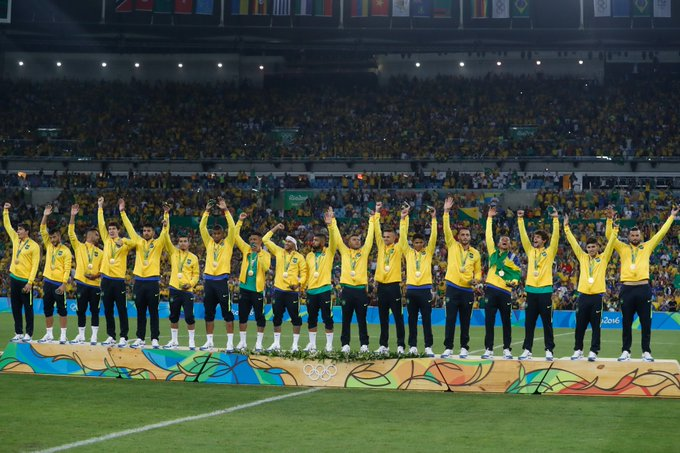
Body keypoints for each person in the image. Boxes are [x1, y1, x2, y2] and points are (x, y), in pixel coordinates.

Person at [606, 205, 679, 362]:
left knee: (646, 322)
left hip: (643, 288)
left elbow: (661, 233)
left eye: (636, 235)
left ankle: (646, 351)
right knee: (626, 322)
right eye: (632, 235)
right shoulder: (622, 247)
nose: (634, 237)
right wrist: (609, 219)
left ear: (641, 236)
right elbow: (609, 236)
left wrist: (671, 216)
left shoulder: (647, 246)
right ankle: (626, 351)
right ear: (629, 236)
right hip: (627, 289)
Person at [564, 214, 618, 362]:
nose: (591, 249)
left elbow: (612, 242)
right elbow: (573, 243)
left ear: (598, 247)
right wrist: (566, 227)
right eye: (588, 247)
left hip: (596, 297)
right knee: (580, 326)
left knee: (596, 327)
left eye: (593, 246)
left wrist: (615, 228)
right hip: (583, 297)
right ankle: (578, 350)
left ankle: (594, 351)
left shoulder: (604, 258)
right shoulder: (582, 257)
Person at [120, 199, 169, 349]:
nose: (146, 233)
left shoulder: (158, 243)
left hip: (152, 282)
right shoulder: (138, 241)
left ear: (153, 233)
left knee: (153, 312)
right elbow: (129, 228)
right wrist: (122, 212)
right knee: (140, 312)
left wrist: (166, 215)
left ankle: (154, 338)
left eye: (149, 231)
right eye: (144, 231)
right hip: (139, 282)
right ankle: (140, 337)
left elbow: (165, 230)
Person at [198, 197, 242, 351]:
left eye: (218, 234)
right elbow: (202, 227)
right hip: (209, 281)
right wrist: (207, 211)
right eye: (214, 234)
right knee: (208, 313)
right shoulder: (208, 242)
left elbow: (232, 227)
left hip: (221, 281)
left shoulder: (228, 242)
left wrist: (225, 210)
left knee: (227, 313)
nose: (216, 236)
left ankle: (230, 343)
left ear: (222, 234)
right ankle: (209, 341)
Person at [517, 206, 559, 361]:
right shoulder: (530, 250)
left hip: (545, 291)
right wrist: (520, 219)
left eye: (537, 238)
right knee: (529, 323)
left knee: (547, 323)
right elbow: (523, 237)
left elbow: (555, 237)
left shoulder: (549, 252)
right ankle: (527, 349)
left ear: (544, 241)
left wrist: (555, 219)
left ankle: (549, 350)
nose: (534, 239)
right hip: (531, 292)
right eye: (534, 237)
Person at [441, 197, 482, 359]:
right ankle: (448, 348)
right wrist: (446, 212)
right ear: (458, 237)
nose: (465, 236)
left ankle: (464, 347)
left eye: (467, 234)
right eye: (462, 234)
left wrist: (476, 280)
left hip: (467, 290)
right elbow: (446, 230)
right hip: (452, 288)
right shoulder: (452, 245)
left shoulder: (476, 253)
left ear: (470, 237)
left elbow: (478, 272)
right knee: (450, 319)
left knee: (465, 321)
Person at [330, 208, 375, 353]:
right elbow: (336, 237)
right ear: (348, 242)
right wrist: (333, 220)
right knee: (346, 319)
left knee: (362, 319)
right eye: (354, 239)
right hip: (347, 290)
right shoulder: (344, 251)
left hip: (361, 291)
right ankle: (345, 345)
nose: (357, 241)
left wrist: (372, 220)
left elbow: (370, 237)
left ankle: (364, 345)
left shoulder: (364, 251)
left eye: (358, 239)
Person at [481, 205, 521, 360]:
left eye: (508, 240)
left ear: (510, 244)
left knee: (506, 322)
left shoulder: (513, 258)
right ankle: (488, 349)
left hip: (505, 292)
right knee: (489, 321)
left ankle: (506, 349)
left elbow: (517, 274)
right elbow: (488, 236)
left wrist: (514, 283)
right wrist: (489, 218)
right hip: (491, 290)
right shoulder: (493, 254)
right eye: (502, 239)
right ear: (498, 244)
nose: (505, 240)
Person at [263, 223, 308, 352]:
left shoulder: (299, 257)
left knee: (295, 318)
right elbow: (265, 240)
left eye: (289, 241)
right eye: (286, 241)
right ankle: (276, 344)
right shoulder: (278, 251)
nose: (286, 243)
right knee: (277, 317)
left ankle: (294, 345)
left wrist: (299, 284)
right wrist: (276, 227)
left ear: (294, 244)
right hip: (278, 290)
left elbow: (304, 273)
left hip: (292, 292)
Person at [399, 204, 437, 357]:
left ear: (424, 244)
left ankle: (428, 346)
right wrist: (403, 219)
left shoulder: (428, 253)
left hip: (425, 290)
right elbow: (402, 238)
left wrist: (434, 219)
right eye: (416, 243)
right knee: (412, 320)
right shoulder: (408, 252)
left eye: (421, 242)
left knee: (427, 320)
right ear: (413, 244)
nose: (419, 245)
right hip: (412, 290)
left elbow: (434, 236)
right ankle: (413, 346)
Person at [160, 211, 200, 350]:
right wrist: (166, 224)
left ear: (189, 243)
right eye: (181, 241)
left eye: (185, 241)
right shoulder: (173, 252)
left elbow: (196, 275)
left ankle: (191, 341)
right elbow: (165, 239)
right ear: (178, 243)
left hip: (187, 290)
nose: (183, 243)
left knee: (189, 317)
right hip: (174, 289)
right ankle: (174, 341)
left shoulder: (194, 257)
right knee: (174, 316)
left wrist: (191, 284)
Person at [97, 196, 134, 347]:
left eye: (114, 229)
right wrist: (100, 207)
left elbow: (135, 242)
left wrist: (123, 241)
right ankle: (111, 335)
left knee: (122, 309)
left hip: (118, 281)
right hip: (106, 280)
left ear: (119, 230)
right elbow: (101, 224)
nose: (111, 231)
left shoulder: (124, 243)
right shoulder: (106, 240)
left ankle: (123, 336)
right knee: (108, 310)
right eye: (110, 229)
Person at [373, 201, 408, 355]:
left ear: (394, 237)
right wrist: (377, 213)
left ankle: (400, 345)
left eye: (388, 236)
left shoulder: (398, 247)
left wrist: (403, 219)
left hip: (394, 287)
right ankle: (383, 345)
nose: (385, 238)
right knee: (383, 318)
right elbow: (375, 231)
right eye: (384, 236)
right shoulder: (381, 246)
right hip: (381, 287)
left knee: (398, 317)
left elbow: (404, 234)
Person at [3, 202, 41, 342]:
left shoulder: (34, 246)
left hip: (26, 282)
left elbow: (35, 266)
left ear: (27, 232)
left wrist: (30, 282)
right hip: (14, 279)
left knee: (28, 308)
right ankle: (18, 332)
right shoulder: (15, 239)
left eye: (20, 230)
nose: (17, 231)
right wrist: (6, 211)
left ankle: (29, 334)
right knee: (16, 308)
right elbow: (7, 225)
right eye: (17, 229)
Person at [234, 213, 271, 352]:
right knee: (243, 316)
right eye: (250, 239)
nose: (252, 241)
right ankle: (242, 342)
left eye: (255, 239)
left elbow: (266, 267)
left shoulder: (265, 254)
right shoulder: (246, 249)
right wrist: (240, 221)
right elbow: (236, 236)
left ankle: (259, 343)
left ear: (260, 241)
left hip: (257, 290)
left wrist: (259, 252)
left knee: (259, 317)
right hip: (244, 288)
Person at [68, 204, 103, 345]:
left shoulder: (101, 252)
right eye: (97, 234)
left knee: (95, 311)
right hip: (82, 284)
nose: (98, 237)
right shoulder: (79, 247)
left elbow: (103, 270)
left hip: (95, 285)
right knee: (80, 310)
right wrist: (73, 215)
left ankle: (94, 336)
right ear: (89, 235)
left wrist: (95, 276)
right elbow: (71, 233)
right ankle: (81, 335)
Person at [37, 204, 72, 344]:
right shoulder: (49, 245)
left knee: (62, 310)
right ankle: (49, 334)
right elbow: (42, 229)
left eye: (55, 237)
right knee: (47, 309)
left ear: (59, 236)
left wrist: (64, 284)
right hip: (48, 282)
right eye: (51, 238)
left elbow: (67, 268)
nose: (52, 239)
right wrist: (45, 215)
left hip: (59, 283)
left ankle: (63, 335)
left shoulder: (66, 251)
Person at [302, 209, 337, 353]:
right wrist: (302, 287)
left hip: (324, 290)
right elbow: (306, 272)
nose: (313, 242)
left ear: (323, 242)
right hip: (311, 291)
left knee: (327, 318)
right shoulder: (309, 255)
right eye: (313, 240)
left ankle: (329, 345)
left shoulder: (329, 252)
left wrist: (330, 224)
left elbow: (334, 239)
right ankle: (312, 345)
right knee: (311, 319)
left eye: (316, 240)